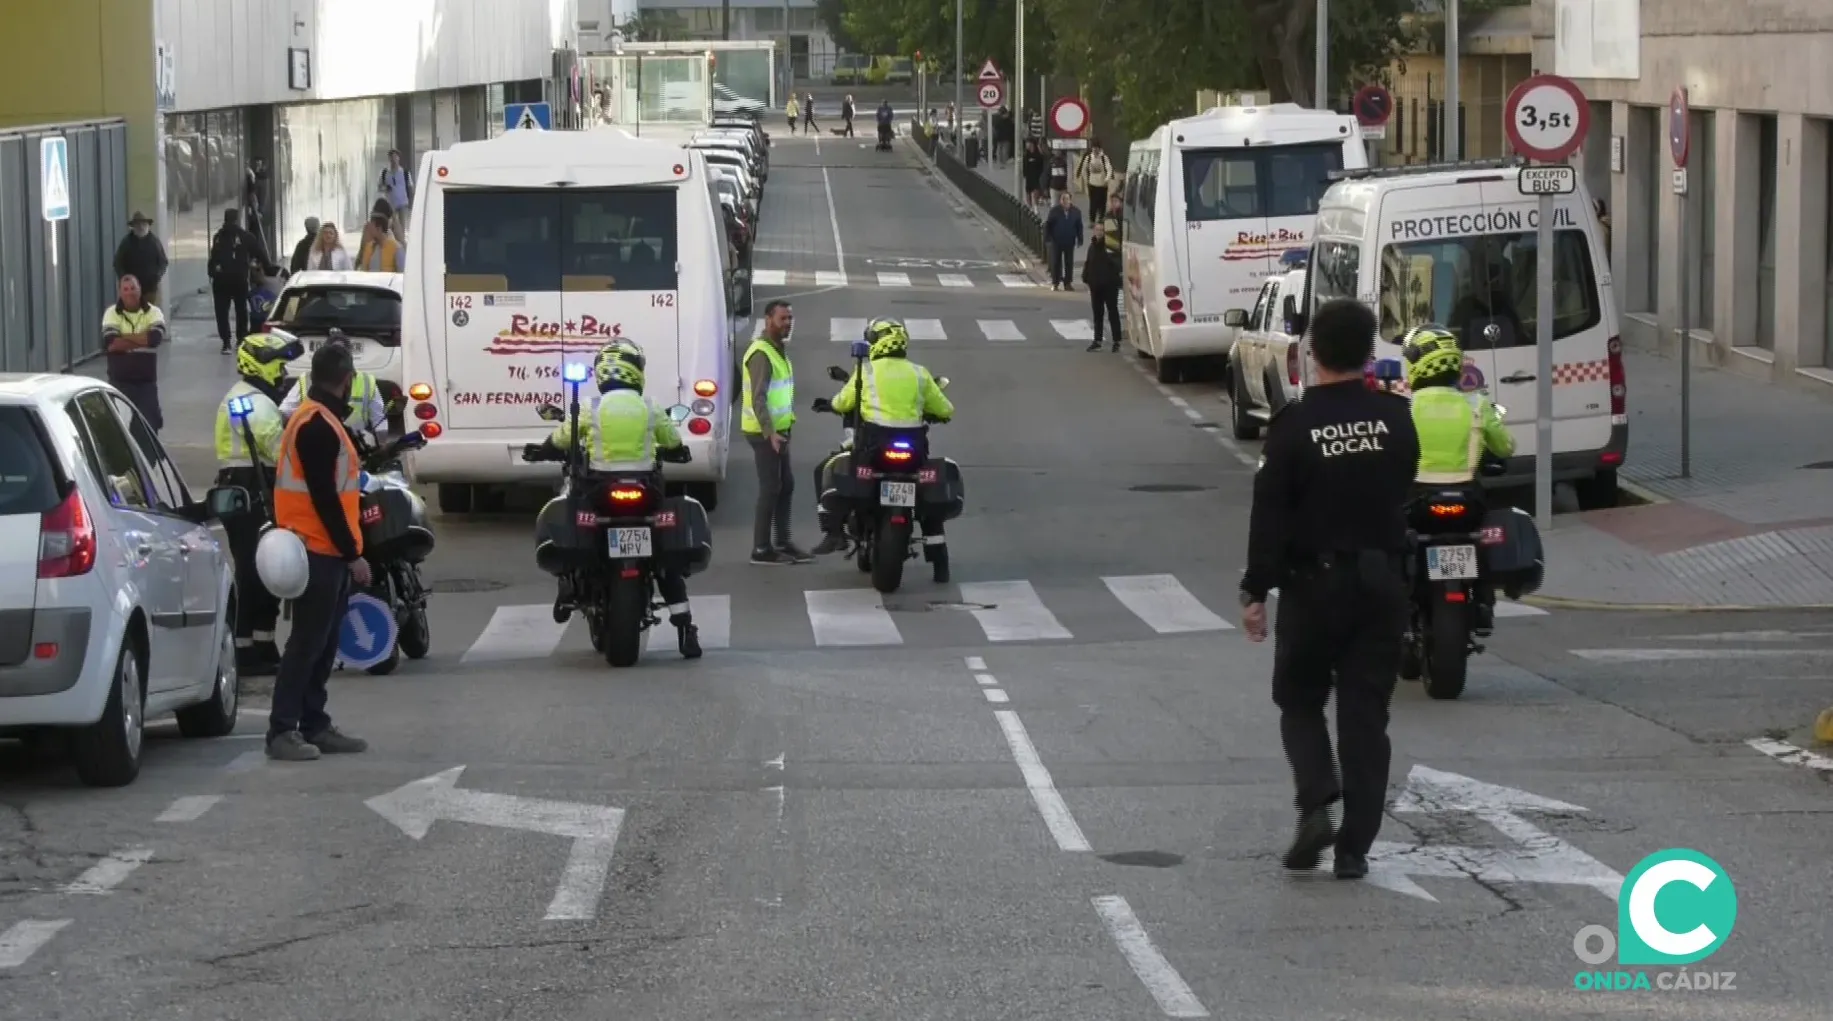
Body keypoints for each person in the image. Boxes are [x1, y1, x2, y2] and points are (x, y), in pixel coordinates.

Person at [1239, 298, 1420, 881]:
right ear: (1369, 353)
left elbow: (1268, 515)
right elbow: (1405, 484)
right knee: (1366, 716)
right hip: (1382, 583)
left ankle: (1317, 798)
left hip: (1314, 586)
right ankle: (1354, 850)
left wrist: (1255, 591)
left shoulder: (1293, 426)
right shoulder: (1396, 418)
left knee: (1298, 698)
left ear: (1312, 353)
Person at [522, 346, 702, 658]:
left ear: (602, 373)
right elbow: (673, 442)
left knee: (574, 511)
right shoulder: (650, 406)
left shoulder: (591, 406)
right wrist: (675, 451)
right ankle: (685, 626)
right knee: (664, 557)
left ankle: (568, 586)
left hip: (599, 490)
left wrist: (543, 449)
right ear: (636, 371)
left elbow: (562, 438)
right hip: (646, 491)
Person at [267, 343, 372, 762]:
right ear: (347, 380)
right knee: (307, 645)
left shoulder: (319, 419)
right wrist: (352, 554)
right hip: (316, 549)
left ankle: (315, 723)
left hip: (320, 548)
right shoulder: (317, 425)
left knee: (323, 644)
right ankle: (282, 730)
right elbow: (325, 498)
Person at [809, 318, 955, 575]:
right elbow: (946, 409)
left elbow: (843, 403)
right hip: (914, 453)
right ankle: (939, 560)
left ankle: (834, 533)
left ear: (876, 342)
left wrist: (829, 404)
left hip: (873, 451)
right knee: (926, 496)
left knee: (824, 469)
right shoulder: (919, 373)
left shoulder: (866, 371)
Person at [1401, 324, 1515, 630]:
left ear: (1416, 363)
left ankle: (1402, 602)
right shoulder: (1477, 405)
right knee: (1483, 536)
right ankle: (1484, 599)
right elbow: (1506, 448)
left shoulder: (1404, 408)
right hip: (1467, 498)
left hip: (1417, 500)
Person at [213, 331, 304, 675]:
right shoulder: (253, 402)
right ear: (260, 366)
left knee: (266, 566)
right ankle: (244, 648)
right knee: (254, 569)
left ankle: (263, 643)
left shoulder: (252, 398)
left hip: (253, 487)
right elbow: (280, 449)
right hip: (250, 487)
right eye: (279, 366)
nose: (283, 374)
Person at [742, 301, 812, 565]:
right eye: (783, 318)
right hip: (763, 432)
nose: (788, 323)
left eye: (790, 318)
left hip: (779, 430)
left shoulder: (777, 350)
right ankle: (761, 549)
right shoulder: (762, 353)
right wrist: (770, 433)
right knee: (771, 487)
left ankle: (783, 542)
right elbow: (758, 398)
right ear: (768, 320)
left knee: (786, 485)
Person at [279, 329, 388, 440]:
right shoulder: (305, 379)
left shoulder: (367, 382)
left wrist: (379, 445)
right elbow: (284, 413)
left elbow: (380, 424)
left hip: (355, 443)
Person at [101, 275, 168, 431]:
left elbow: (154, 338)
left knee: (149, 427)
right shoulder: (111, 313)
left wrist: (123, 338)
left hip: (146, 384)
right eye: (125, 289)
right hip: (119, 383)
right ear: (120, 292)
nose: (130, 292)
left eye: (133, 288)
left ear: (140, 290)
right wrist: (143, 337)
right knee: (119, 429)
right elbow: (111, 342)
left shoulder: (154, 312)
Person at [208, 208, 260, 354]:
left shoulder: (218, 237)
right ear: (238, 219)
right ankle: (241, 339)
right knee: (241, 309)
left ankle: (226, 342)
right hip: (239, 279)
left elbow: (213, 257)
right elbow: (259, 253)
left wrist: (212, 273)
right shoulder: (246, 236)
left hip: (221, 280)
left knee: (222, 312)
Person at [1081, 223, 1123, 352]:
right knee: (1097, 314)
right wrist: (1086, 277)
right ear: (1094, 231)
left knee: (1112, 312)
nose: (1099, 232)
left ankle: (1116, 341)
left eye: (1101, 230)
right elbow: (1088, 262)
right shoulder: (1092, 246)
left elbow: (1117, 264)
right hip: (1096, 285)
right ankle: (1097, 340)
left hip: (1109, 285)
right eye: (1097, 230)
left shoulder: (1110, 246)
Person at [113, 212, 168, 307]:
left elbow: (163, 262)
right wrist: (124, 278)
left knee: (148, 312)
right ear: (133, 227)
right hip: (131, 289)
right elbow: (117, 263)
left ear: (148, 225)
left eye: (143, 224)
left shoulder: (154, 242)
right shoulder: (126, 242)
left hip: (150, 288)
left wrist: (157, 276)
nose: (141, 227)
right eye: (138, 225)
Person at [1044, 192, 1083, 291]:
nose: (1065, 201)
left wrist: (1080, 239)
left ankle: (1068, 283)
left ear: (1070, 200)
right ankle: (1055, 282)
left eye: (1067, 199)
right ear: (1060, 200)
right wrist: (1047, 238)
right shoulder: (1054, 211)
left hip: (1069, 240)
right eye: (1063, 199)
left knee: (1069, 262)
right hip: (1056, 241)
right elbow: (1048, 225)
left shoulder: (1076, 212)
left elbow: (1079, 226)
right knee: (1055, 262)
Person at [378, 149, 414, 235]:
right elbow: (379, 187)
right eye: (391, 157)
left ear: (398, 158)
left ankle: (401, 240)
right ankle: (393, 239)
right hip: (390, 203)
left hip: (402, 202)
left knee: (402, 225)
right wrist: (385, 188)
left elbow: (411, 187)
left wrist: (412, 201)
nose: (393, 159)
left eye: (395, 157)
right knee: (391, 224)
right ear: (389, 159)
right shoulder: (384, 173)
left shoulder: (405, 172)